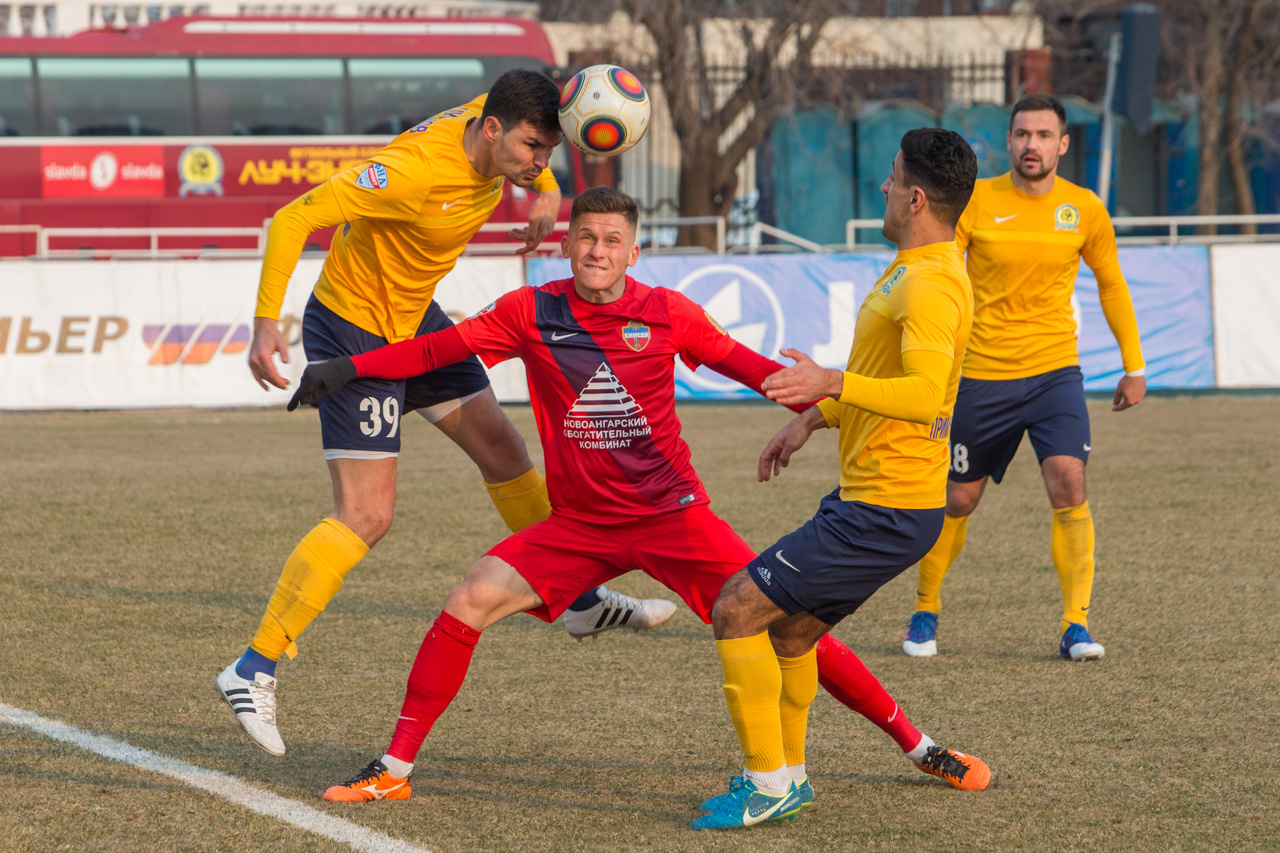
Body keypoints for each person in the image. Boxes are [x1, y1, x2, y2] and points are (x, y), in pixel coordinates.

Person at [288, 186, 988, 806]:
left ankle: (918, 743)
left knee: (787, 621)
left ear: (634, 252)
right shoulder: (530, 310)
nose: (598, 251)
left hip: (672, 518)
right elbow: (439, 350)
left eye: (612, 241)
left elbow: (748, 367)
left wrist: (812, 395)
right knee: (469, 597)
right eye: (587, 237)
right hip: (579, 526)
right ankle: (395, 766)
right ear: (567, 243)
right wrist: (348, 367)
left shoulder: (667, 313)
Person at [215, 71, 673, 760]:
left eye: (548, 150)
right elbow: (292, 219)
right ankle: (252, 667)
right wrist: (263, 323)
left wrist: (546, 186)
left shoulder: (495, 125)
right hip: (354, 330)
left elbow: (532, 144)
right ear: (491, 129)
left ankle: (576, 599)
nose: (536, 163)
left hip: (415, 325)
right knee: (367, 515)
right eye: (530, 149)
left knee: (505, 451)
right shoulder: (408, 171)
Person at [696, 128, 987, 831]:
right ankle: (788, 777)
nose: (882, 189)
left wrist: (831, 378)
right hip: (876, 500)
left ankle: (766, 782)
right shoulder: (913, 267)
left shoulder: (933, 283)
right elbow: (889, 380)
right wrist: (814, 418)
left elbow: (924, 394)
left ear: (916, 197)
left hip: (888, 506)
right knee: (792, 634)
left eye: (891, 180)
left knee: (736, 607)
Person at [901, 94, 1146, 662]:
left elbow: (1111, 284)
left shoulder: (1084, 208)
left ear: (1062, 144)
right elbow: (941, 273)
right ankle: (924, 610)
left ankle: (1075, 625)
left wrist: (1134, 365)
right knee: (958, 500)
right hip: (981, 375)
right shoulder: (977, 201)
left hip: (1055, 372)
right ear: (1008, 142)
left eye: (1042, 135)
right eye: (1021, 134)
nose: (1031, 144)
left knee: (1070, 481)